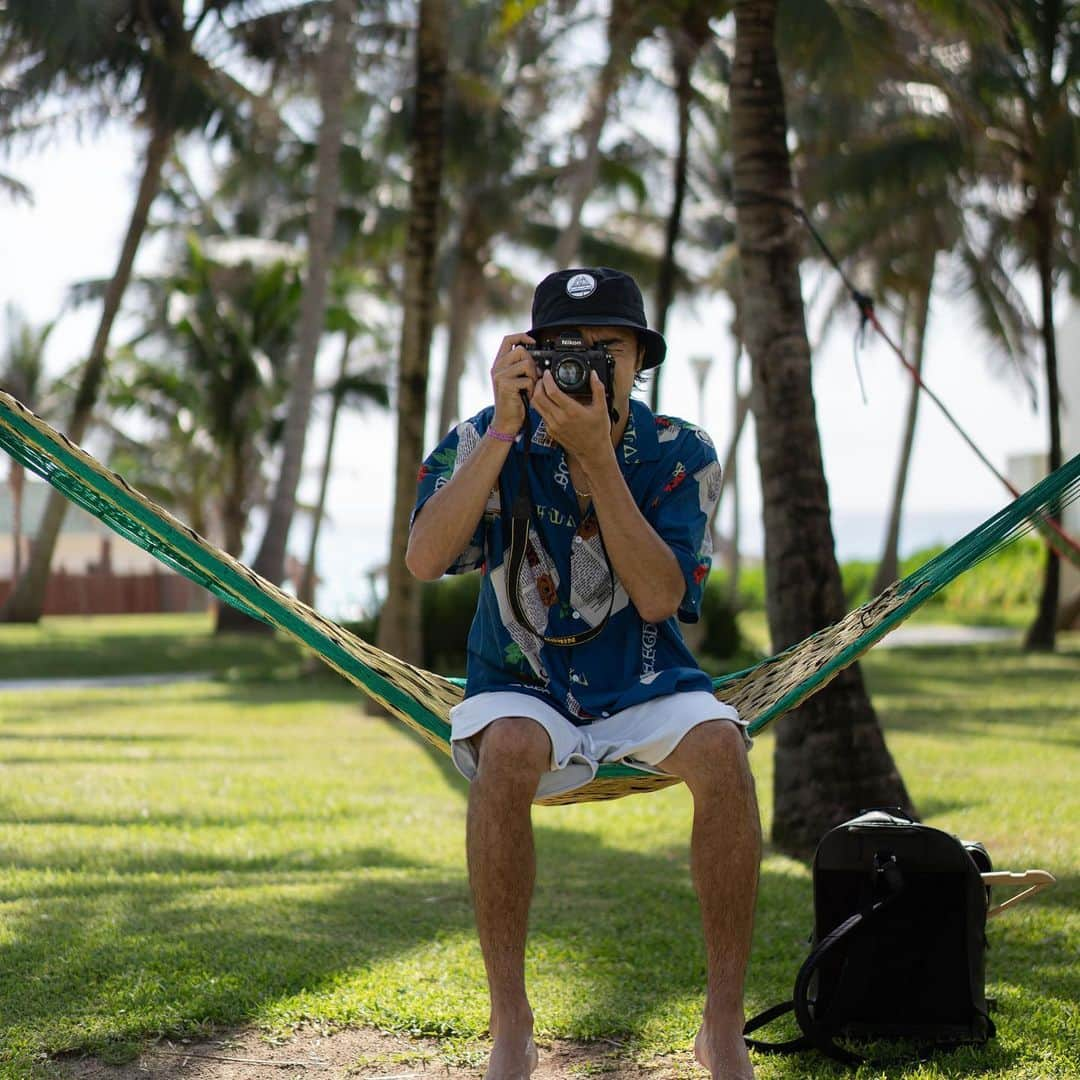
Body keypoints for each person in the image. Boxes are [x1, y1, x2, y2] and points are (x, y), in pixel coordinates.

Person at [406, 267, 760, 1080]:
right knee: (508, 756)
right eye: (568, 350)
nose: (589, 367)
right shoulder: (484, 437)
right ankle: (511, 1028)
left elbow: (661, 595)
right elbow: (425, 560)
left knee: (723, 754)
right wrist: (502, 428)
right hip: (519, 677)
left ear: (641, 359)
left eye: (609, 349)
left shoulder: (681, 452)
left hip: (645, 677)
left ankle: (722, 1026)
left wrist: (598, 458)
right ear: (529, 355)